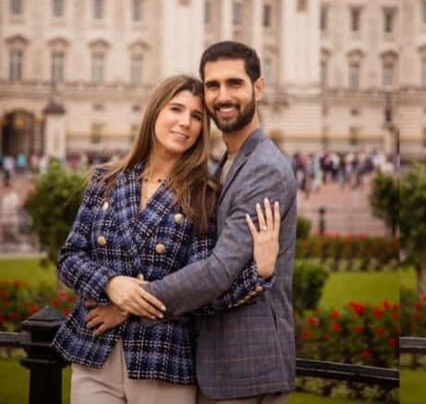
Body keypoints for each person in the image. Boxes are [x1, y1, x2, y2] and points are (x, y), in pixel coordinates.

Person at [54, 75, 279, 404]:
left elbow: (205, 289)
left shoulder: (204, 194)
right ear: (155, 112)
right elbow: (70, 258)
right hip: (95, 355)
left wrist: (261, 272)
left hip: (163, 359)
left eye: (197, 116)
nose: (185, 123)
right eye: (177, 109)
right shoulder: (106, 179)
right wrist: (111, 284)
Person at [105, 41, 298, 403]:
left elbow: (219, 271)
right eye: (213, 86)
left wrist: (129, 302)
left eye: (234, 83)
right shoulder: (227, 162)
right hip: (219, 362)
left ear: (258, 88)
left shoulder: (264, 169)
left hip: (246, 366)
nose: (223, 96)